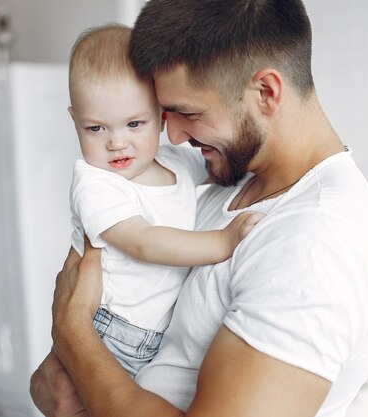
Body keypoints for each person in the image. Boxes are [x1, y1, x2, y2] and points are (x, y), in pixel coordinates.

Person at [30, 1, 368, 416]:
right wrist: (60, 377)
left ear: (266, 92)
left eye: (188, 112)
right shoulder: (228, 178)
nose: (174, 134)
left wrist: (73, 333)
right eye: (164, 113)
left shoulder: (315, 246)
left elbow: (76, 325)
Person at [66, 24, 263, 377]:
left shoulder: (174, 161)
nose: (116, 143)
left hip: (156, 336)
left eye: (134, 124)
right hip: (112, 330)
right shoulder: (95, 184)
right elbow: (142, 241)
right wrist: (221, 241)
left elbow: (222, 167)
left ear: (161, 117)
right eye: (96, 128)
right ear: (74, 120)